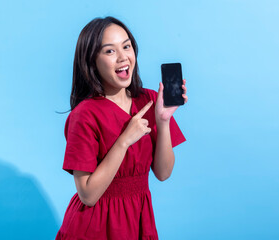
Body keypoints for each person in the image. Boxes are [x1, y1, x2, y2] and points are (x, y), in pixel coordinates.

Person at [55, 16, 188, 240]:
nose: (122, 57)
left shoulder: (149, 101)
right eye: (109, 51)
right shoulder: (84, 115)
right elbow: (87, 195)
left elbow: (163, 173)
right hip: (94, 225)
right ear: (92, 61)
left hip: (138, 220)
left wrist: (163, 121)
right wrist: (124, 141)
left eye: (126, 46)